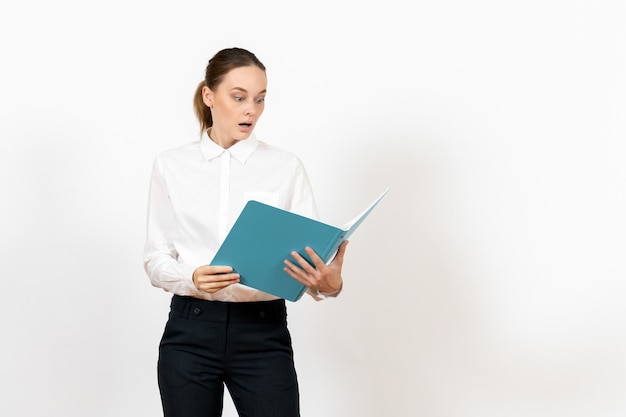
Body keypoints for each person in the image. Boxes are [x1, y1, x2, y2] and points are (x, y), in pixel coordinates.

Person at [143, 47, 348, 417]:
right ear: (209, 95)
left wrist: (327, 284)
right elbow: (155, 258)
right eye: (238, 97)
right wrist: (191, 278)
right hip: (190, 332)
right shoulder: (171, 165)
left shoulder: (285, 167)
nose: (250, 109)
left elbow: (314, 264)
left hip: (262, 333)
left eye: (260, 99)